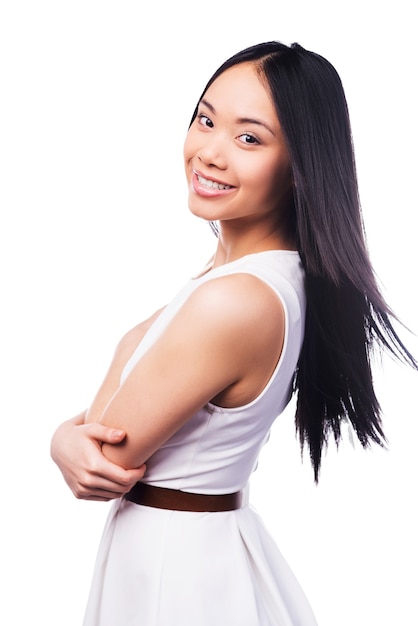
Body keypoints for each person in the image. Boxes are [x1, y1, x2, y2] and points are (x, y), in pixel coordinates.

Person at [51, 41, 417, 625]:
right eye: (205, 119)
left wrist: (62, 439)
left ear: (301, 166)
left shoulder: (235, 299)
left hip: (176, 570)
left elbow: (107, 455)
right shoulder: (266, 278)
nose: (210, 152)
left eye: (249, 138)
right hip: (198, 550)